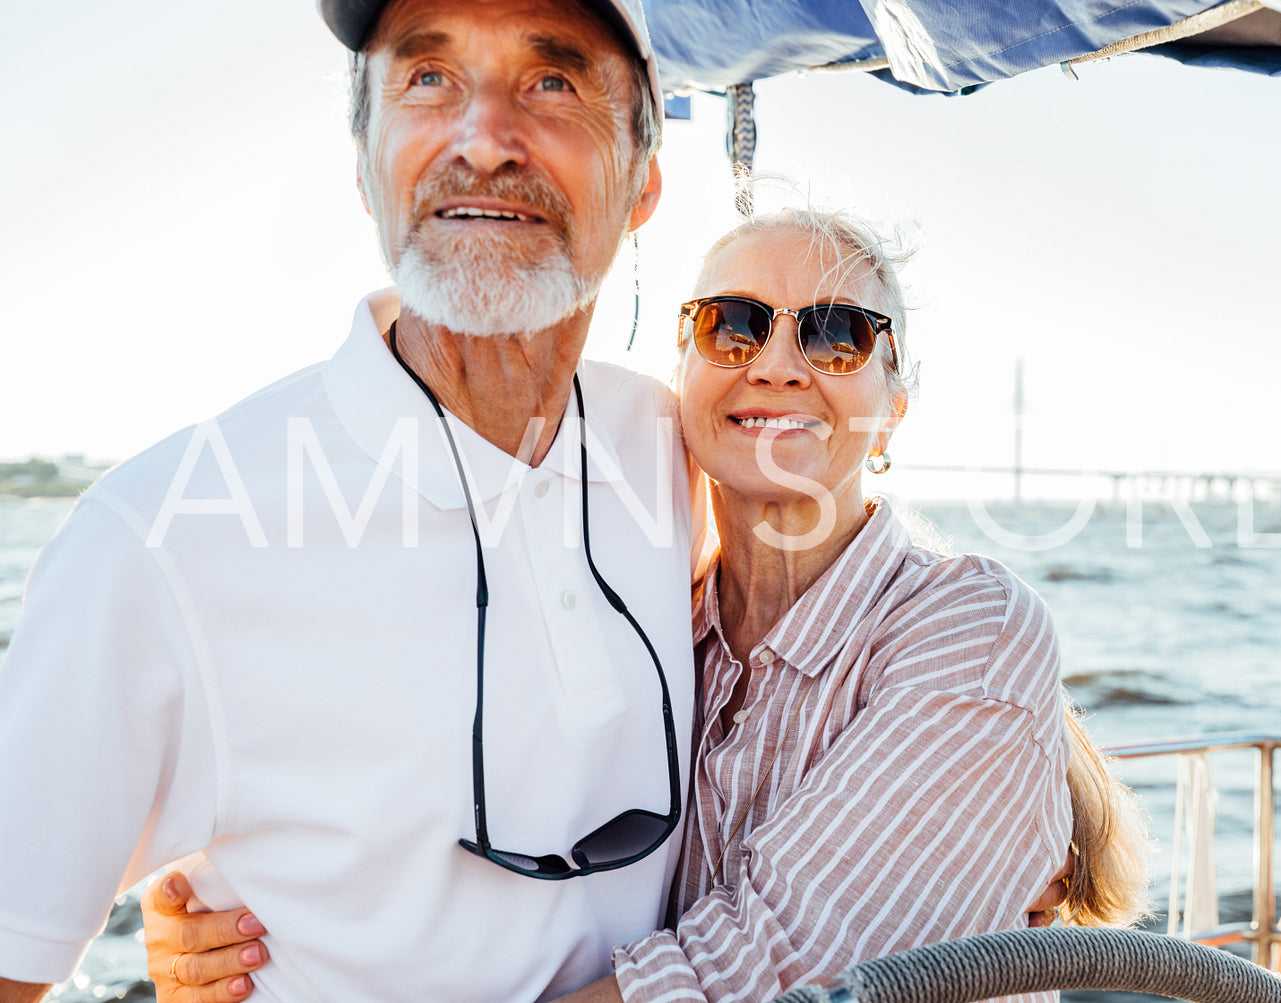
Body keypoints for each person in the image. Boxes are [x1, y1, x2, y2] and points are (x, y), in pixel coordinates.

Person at [142, 208, 1150, 1003]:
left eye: (839, 334)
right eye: (733, 323)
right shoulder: (648, 630)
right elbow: (418, 793)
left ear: (893, 405)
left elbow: (776, 966)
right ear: (682, 373)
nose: (776, 361)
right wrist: (239, 921)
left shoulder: (970, 629)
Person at [0, 0, 702, 1000]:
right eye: (428, 79)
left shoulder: (681, 452)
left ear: (644, 183)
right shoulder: (157, 543)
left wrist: (1002, 825)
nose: (484, 140)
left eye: (553, 81)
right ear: (363, 163)